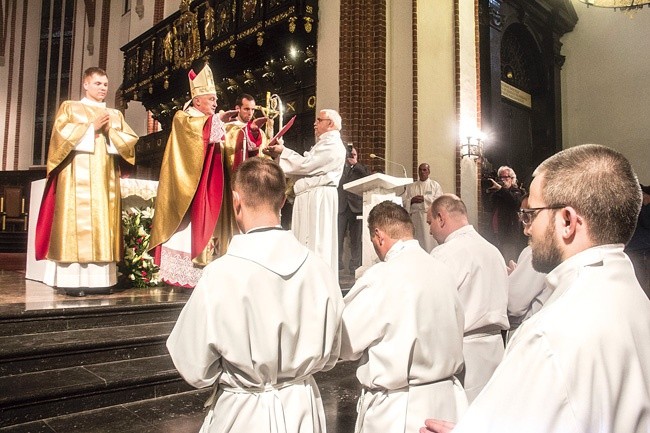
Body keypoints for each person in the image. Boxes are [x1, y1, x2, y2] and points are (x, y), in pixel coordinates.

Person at [422, 144, 650, 433]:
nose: (526, 228)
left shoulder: (550, 334)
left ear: (567, 221)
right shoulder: (633, 297)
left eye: (531, 214)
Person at [166, 157, 344, 433]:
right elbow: (332, 354)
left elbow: (193, 366)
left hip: (244, 413)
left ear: (236, 200)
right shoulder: (319, 269)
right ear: (283, 201)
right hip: (303, 408)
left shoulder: (220, 274)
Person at [340, 201, 467, 433]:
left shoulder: (381, 277)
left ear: (378, 235)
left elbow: (346, 342)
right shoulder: (444, 271)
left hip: (401, 409)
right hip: (448, 402)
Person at [35, 67, 138, 295]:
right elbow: (59, 137)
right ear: (85, 84)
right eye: (97, 83)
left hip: (104, 180)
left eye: (105, 84)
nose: (102, 88)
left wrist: (110, 130)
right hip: (75, 177)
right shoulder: (70, 108)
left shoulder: (115, 114)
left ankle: (100, 281)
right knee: (75, 222)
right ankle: (71, 281)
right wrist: (91, 128)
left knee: (102, 223)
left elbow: (129, 143)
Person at [148, 64, 236, 287]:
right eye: (211, 99)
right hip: (189, 189)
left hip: (209, 185)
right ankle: (184, 273)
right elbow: (194, 139)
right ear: (197, 101)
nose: (215, 104)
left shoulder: (211, 120)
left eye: (216, 100)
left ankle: (207, 267)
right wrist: (216, 123)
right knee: (188, 227)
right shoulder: (183, 117)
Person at [427, 194, 509, 402]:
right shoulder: (493, 251)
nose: (429, 230)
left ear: (441, 217)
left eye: (430, 222)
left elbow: (431, 308)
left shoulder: (445, 254)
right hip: (496, 349)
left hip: (464, 353)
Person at [265, 109, 347, 278]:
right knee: (305, 240)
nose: (315, 123)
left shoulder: (332, 144)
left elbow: (306, 165)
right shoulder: (324, 143)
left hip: (318, 198)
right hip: (310, 196)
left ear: (330, 123)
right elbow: (306, 165)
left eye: (319, 120)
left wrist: (283, 151)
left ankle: (315, 280)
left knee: (316, 241)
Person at [506, 196, 550, 341]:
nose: (525, 228)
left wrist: (509, 280)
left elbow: (514, 305)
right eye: (521, 215)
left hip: (529, 335)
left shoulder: (536, 252)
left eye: (528, 215)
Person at [338, 146, 371, 274]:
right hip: (341, 206)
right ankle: (337, 263)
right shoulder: (340, 168)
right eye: (350, 155)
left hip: (355, 207)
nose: (352, 157)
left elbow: (368, 177)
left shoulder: (361, 169)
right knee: (338, 237)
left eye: (354, 155)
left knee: (355, 239)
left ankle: (355, 265)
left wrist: (356, 164)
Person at [486, 165, 525, 262]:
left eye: (505, 177)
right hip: (496, 233)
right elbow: (488, 207)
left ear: (512, 179)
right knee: (496, 261)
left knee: (509, 262)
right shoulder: (498, 193)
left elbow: (516, 203)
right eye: (500, 177)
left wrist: (501, 189)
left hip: (509, 236)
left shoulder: (517, 191)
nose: (502, 180)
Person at [402, 163, 443, 252]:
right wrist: (412, 200)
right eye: (420, 170)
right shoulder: (411, 186)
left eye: (424, 170)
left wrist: (424, 198)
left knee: (428, 243)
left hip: (429, 219)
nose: (422, 172)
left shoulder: (434, 185)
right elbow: (404, 201)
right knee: (417, 241)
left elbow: (439, 200)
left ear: (429, 171)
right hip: (415, 219)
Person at [224, 93, 269, 171]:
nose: (250, 113)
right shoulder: (228, 127)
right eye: (247, 109)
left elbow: (264, 156)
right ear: (238, 108)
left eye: (253, 109)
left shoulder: (259, 132)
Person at [625, 184, 650, 297]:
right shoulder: (640, 204)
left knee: (635, 287)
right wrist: (646, 205)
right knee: (643, 288)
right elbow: (647, 223)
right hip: (641, 249)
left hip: (629, 248)